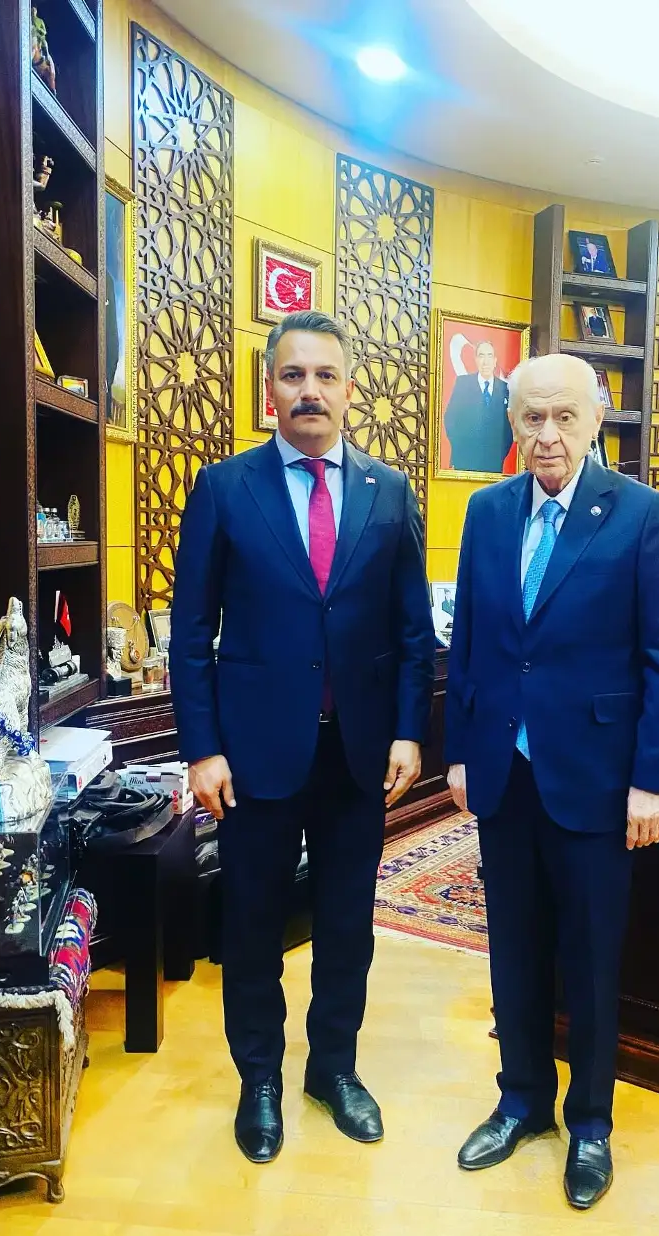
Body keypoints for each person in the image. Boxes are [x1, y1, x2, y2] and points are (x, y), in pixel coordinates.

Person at [170, 310, 435, 1165]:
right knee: (252, 924)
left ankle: (333, 1069)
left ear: (349, 390)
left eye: (325, 376)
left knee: (347, 924)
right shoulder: (224, 488)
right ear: (270, 390)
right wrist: (202, 748)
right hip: (252, 757)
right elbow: (190, 632)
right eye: (293, 375)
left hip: (358, 754)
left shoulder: (390, 492)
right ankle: (260, 1080)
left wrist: (409, 731)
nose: (310, 391)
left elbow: (412, 631)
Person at [444, 353, 659, 1211]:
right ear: (513, 423)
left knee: (587, 958)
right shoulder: (486, 512)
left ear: (594, 420)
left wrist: (653, 778)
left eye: (563, 418)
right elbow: (470, 641)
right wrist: (461, 750)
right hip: (504, 771)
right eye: (532, 418)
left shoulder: (640, 514)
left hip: (597, 776)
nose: (546, 435)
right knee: (512, 947)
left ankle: (589, 1124)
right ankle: (521, 1101)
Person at [443, 340, 514, 474]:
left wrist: (498, 454)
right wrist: (460, 449)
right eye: (481, 356)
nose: (485, 362)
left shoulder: (505, 389)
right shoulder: (463, 384)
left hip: (493, 463)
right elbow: (450, 419)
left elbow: (509, 428)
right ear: (476, 360)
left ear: (495, 361)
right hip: (464, 460)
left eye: (489, 356)